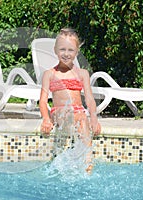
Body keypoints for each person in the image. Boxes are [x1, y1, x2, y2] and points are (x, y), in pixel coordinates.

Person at [39, 28, 101, 173]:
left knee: (82, 120)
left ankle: (87, 165)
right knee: (69, 113)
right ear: (55, 50)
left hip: (78, 113)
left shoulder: (82, 74)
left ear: (77, 52)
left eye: (70, 50)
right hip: (59, 112)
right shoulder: (49, 74)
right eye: (62, 49)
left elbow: (90, 100)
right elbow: (42, 101)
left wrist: (94, 118)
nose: (66, 54)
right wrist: (46, 119)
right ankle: (64, 160)